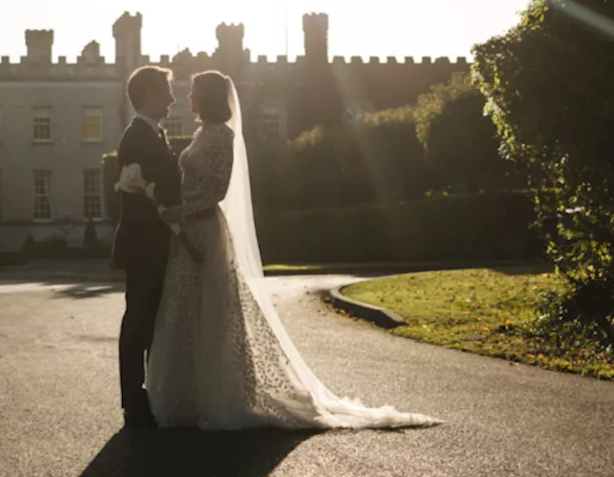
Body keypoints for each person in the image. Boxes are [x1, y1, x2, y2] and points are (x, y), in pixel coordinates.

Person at [146, 70, 442, 430]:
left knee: (212, 311)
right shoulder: (202, 133)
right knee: (186, 312)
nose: (187, 97)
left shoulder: (222, 136)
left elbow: (218, 191)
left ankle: (220, 397)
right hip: (187, 233)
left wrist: (182, 211)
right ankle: (188, 397)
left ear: (207, 96)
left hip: (205, 230)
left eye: (193, 91)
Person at [110, 65, 180, 429]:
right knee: (138, 320)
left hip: (155, 243)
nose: (172, 98)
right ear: (150, 94)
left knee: (151, 320)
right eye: (167, 91)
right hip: (143, 244)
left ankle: (151, 392)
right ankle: (134, 400)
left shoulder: (152, 135)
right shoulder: (136, 137)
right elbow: (159, 192)